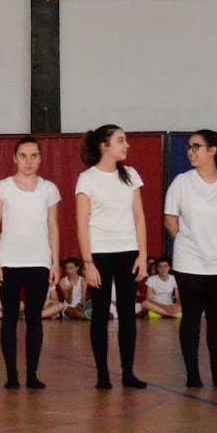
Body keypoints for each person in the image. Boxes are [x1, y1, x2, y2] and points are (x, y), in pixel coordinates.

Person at [164, 130, 217, 389]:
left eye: (196, 146)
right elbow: (170, 219)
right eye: (189, 147)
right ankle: (193, 374)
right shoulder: (182, 182)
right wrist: (188, 243)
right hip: (190, 261)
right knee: (191, 316)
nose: (190, 151)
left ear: (212, 150)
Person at [76, 125, 149, 389]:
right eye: (120, 140)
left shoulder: (131, 175)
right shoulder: (87, 178)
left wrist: (142, 255)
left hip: (128, 251)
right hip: (100, 254)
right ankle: (102, 374)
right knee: (100, 313)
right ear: (104, 146)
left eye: (125, 140)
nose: (126, 145)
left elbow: (139, 217)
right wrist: (88, 263)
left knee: (128, 312)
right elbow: (82, 224)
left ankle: (128, 372)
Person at [0, 136, 63, 388]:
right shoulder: (2, 188)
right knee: (9, 317)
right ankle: (12, 375)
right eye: (23, 156)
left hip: (39, 262)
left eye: (33, 156)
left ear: (40, 159)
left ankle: (32, 374)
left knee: (34, 318)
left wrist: (55, 262)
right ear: (14, 158)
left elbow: (53, 227)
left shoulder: (49, 189)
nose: (28, 161)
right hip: (8, 262)